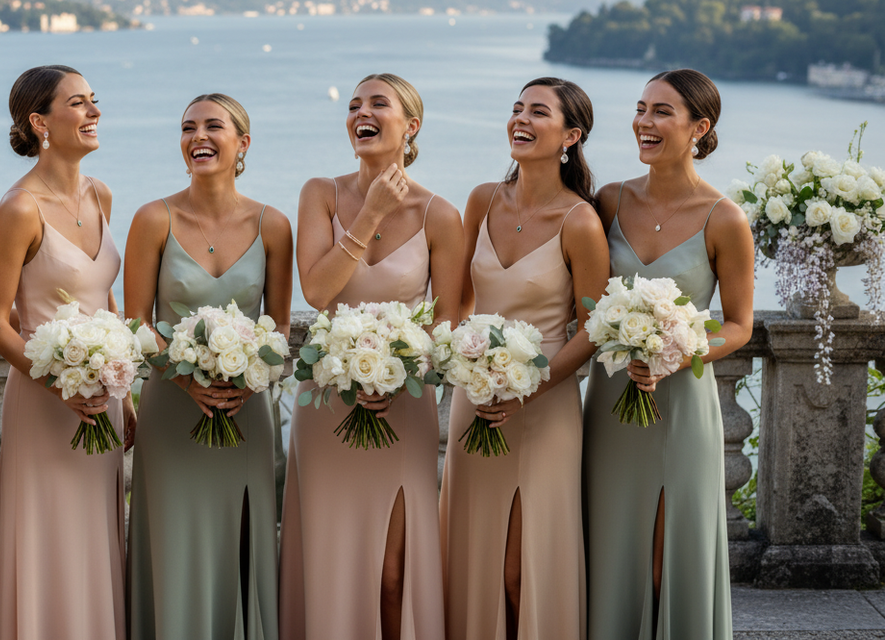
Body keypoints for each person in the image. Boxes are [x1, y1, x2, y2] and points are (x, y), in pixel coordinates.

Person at [280, 73, 463, 640]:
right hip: (328, 400)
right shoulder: (320, 194)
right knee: (329, 559)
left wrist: (398, 371)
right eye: (354, 104)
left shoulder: (442, 215)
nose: (360, 111)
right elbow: (317, 292)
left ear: (410, 127)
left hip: (402, 404)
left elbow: (445, 323)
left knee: (392, 571)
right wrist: (372, 213)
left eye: (376, 104)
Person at [583, 69, 754, 640]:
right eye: (640, 108)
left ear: (699, 127)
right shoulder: (608, 200)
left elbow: (739, 325)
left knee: (665, 554)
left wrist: (679, 354)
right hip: (610, 405)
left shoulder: (724, 217)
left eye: (661, 112)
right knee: (610, 547)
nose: (643, 122)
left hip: (681, 403)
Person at [439, 77, 607, 640]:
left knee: (520, 569)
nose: (521, 119)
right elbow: (456, 302)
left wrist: (527, 388)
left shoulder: (579, 220)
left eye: (539, 112)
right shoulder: (482, 198)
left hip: (544, 405)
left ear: (571, 135)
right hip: (475, 399)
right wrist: (462, 360)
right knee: (472, 553)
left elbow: (594, 329)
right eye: (517, 109)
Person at [125, 93, 292, 640]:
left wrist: (250, 380)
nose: (198, 136)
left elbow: (281, 330)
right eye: (187, 127)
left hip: (246, 408)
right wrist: (183, 379)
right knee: (173, 541)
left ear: (242, 143)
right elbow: (137, 324)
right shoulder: (154, 218)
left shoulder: (274, 224)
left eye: (213, 126)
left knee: (243, 538)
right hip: (172, 410)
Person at [0, 65, 131, 640]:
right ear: (40, 122)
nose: (94, 112)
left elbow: (105, 299)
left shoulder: (102, 193)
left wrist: (126, 392)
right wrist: (59, 384)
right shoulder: (20, 208)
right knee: (50, 539)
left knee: (98, 535)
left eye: (95, 100)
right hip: (47, 399)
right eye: (78, 103)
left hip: (104, 395)